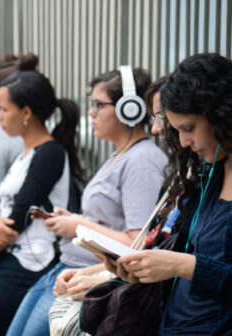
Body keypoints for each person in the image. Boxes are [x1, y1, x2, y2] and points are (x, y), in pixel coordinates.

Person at [6, 67, 167, 336]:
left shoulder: (142, 161)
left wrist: (79, 226)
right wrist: (72, 221)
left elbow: (137, 243)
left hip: (89, 277)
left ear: (130, 108)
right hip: (69, 269)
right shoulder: (120, 155)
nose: (90, 112)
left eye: (98, 105)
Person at [104, 53, 232, 335]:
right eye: (178, 131)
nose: (185, 142)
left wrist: (184, 266)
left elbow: (193, 266)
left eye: (189, 128)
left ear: (221, 114)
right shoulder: (211, 172)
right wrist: (144, 271)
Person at [0, 64, 82, 335]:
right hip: (8, 259)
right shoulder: (26, 152)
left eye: (3, 109)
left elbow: (17, 220)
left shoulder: (50, 154)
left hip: (27, 264)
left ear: (25, 113)